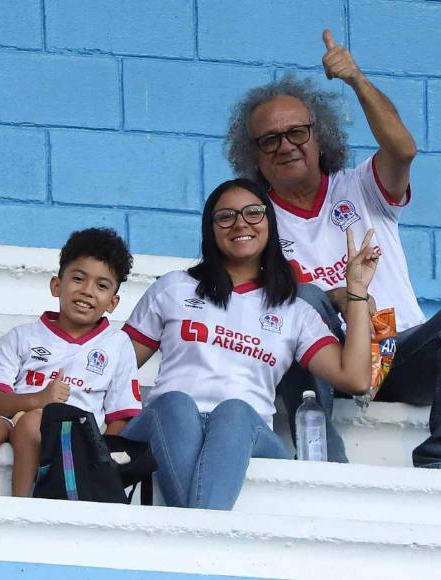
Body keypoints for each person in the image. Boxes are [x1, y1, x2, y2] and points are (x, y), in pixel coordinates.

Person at [225, 29, 441, 470]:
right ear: (253, 155)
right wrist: (343, 296)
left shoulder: (360, 187)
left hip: (401, 355)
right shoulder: (254, 221)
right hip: (328, 365)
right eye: (270, 139)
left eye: (297, 132)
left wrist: (355, 78)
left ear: (319, 136)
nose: (286, 145)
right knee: (302, 298)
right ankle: (322, 450)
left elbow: (403, 148)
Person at [120, 178, 378, 510]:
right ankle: (205, 533)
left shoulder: (294, 310)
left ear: (269, 222)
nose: (241, 223)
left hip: (244, 431)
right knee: (174, 404)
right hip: (170, 422)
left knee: (235, 411)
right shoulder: (174, 287)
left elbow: (355, 378)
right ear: (210, 229)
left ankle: (195, 533)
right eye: (226, 216)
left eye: (253, 212)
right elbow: (114, 364)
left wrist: (355, 290)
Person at [0, 228, 142, 496]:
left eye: (101, 286)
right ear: (57, 285)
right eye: (78, 279)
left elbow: (121, 415)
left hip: (71, 436)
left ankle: (24, 507)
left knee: (35, 422)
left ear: (113, 302)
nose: (88, 291)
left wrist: (99, 454)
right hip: (15, 416)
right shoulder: (23, 336)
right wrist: (37, 400)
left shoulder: (117, 344)